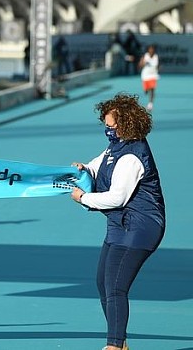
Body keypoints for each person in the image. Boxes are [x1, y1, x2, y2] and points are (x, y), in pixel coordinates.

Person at [68, 92, 164, 350]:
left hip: (140, 227)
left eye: (110, 126)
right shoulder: (116, 145)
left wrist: (83, 198)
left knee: (116, 287)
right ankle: (120, 344)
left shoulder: (132, 156)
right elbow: (96, 166)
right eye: (106, 125)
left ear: (125, 124)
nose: (107, 130)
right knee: (103, 284)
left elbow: (117, 197)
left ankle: (114, 345)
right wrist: (83, 169)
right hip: (120, 224)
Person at [138, 44, 159, 111]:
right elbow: (140, 65)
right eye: (150, 49)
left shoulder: (156, 57)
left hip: (153, 76)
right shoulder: (145, 56)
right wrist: (142, 63)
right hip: (145, 76)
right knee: (146, 91)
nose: (151, 50)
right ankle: (146, 90)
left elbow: (158, 66)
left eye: (152, 49)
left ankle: (150, 104)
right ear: (148, 50)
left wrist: (158, 69)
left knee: (152, 89)